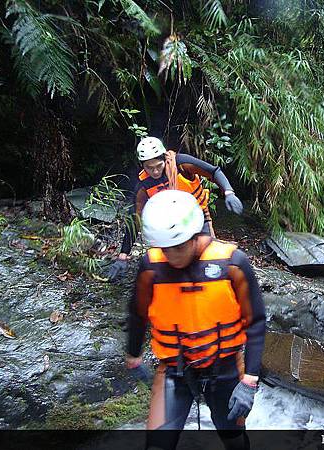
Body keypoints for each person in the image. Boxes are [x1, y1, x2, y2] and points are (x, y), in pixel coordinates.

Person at [125, 190, 266, 450]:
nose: (172, 257)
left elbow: (256, 321)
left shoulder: (232, 263)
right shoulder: (151, 267)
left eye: (178, 248)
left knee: (234, 440)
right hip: (174, 370)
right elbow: (138, 312)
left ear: (194, 235)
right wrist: (133, 356)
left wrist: (249, 381)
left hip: (225, 369)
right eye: (165, 249)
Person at [107, 136, 244, 281]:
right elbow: (135, 218)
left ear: (164, 159)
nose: (155, 172)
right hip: (169, 225)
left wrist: (229, 192)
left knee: (207, 257)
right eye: (149, 167)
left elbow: (214, 171)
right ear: (143, 166)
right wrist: (123, 255)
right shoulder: (143, 185)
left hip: (197, 216)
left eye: (158, 166)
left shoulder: (181, 164)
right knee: (173, 264)